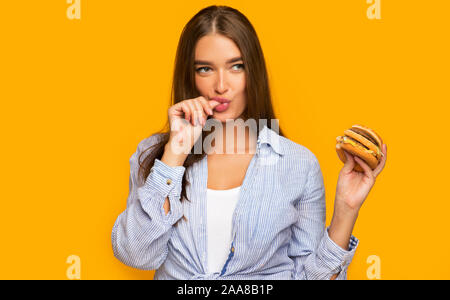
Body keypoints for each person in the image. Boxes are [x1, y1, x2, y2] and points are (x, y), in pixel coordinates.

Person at [111, 5, 387, 280]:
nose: (221, 85)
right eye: (206, 69)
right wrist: (174, 155)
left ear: (253, 71)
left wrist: (346, 211)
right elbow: (136, 255)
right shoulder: (155, 154)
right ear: (190, 76)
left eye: (236, 67)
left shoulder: (298, 164)